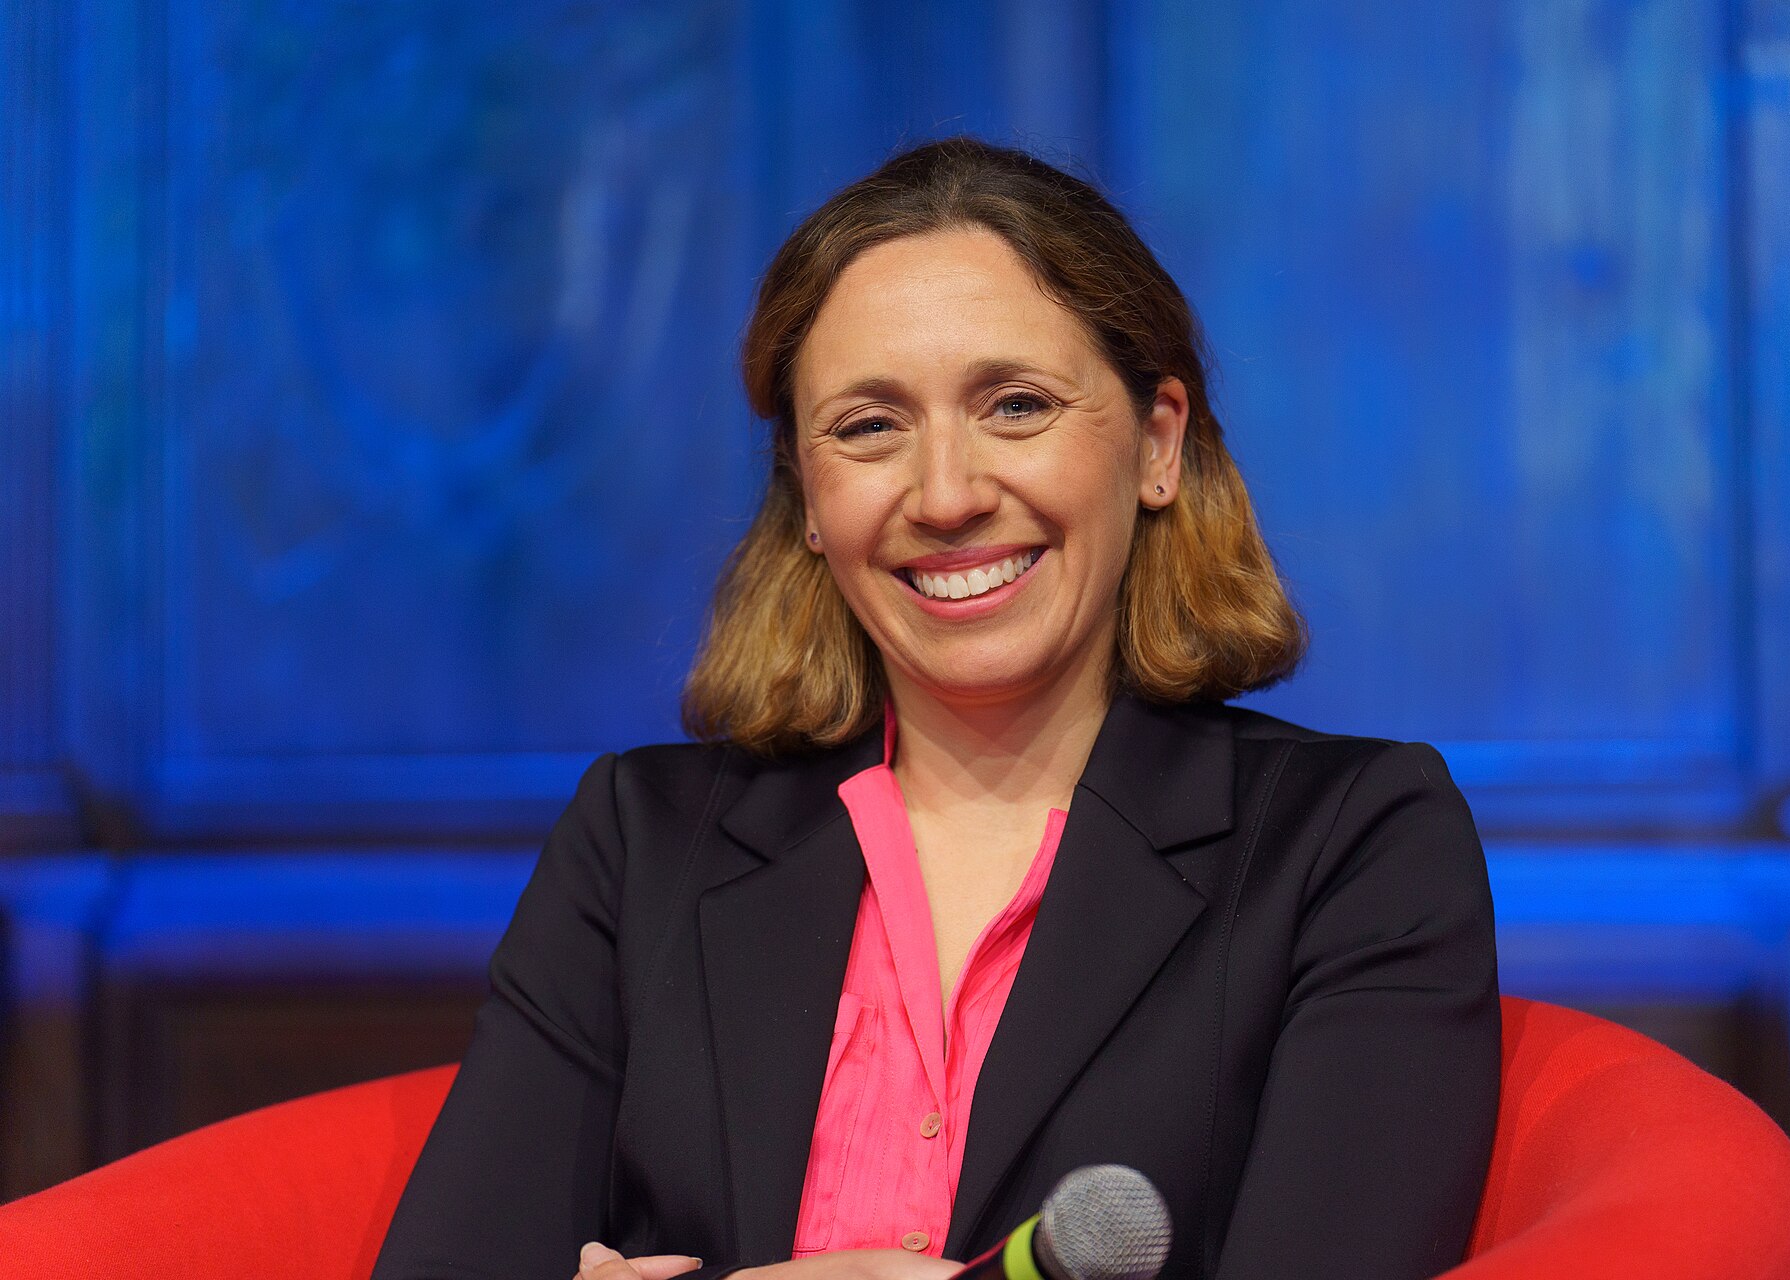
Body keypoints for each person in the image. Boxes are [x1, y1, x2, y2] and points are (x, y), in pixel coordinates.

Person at [370, 136, 1500, 1280]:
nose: (948, 495)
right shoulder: (639, 843)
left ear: (1158, 442)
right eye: (869, 425)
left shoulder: (1351, 842)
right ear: (807, 493)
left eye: (1016, 405)